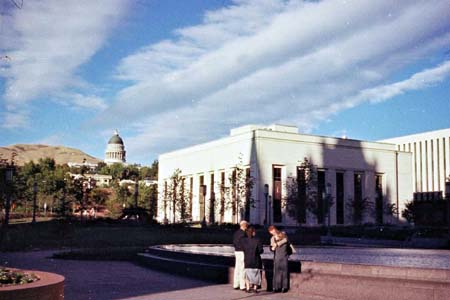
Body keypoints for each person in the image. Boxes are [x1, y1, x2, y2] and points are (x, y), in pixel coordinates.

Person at [241, 226, 263, 293]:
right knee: (256, 274)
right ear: (253, 232)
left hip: (247, 259)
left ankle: (247, 288)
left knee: (247, 274)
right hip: (255, 259)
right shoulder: (257, 240)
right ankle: (255, 288)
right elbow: (260, 250)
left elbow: (242, 248)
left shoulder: (243, 240)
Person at [268, 225, 289, 293]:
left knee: (284, 272)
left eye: (272, 231)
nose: (272, 233)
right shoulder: (272, 238)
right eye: (271, 232)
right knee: (276, 272)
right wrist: (272, 248)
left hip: (284, 256)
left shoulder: (283, 234)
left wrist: (277, 244)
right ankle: (276, 287)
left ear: (275, 229)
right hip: (277, 256)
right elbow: (271, 247)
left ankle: (284, 287)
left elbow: (285, 240)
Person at [232, 220, 248, 291]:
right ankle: (242, 285)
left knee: (237, 268)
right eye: (246, 225)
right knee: (242, 268)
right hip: (242, 252)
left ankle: (236, 284)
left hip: (236, 251)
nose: (247, 227)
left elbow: (234, 242)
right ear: (244, 225)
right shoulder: (244, 234)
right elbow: (244, 243)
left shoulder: (236, 233)